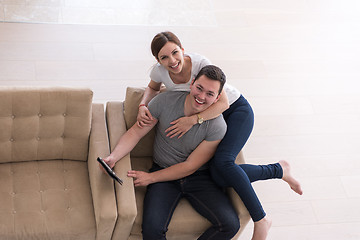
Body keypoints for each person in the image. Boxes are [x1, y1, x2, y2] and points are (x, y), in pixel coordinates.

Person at [137, 31, 303, 240]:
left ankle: (261, 220)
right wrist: (143, 105)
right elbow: (152, 88)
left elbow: (222, 103)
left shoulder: (200, 63)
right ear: (158, 60)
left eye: (175, 52)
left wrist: (192, 120)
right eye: (164, 57)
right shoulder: (159, 72)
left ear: (182, 49)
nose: (172, 60)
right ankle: (278, 170)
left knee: (223, 165)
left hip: (233, 111)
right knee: (217, 174)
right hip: (209, 118)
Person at [102, 65, 241, 239]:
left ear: (218, 97)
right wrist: (113, 157)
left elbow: (190, 166)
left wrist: (150, 178)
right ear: (191, 83)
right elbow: (136, 132)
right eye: (199, 88)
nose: (202, 97)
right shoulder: (165, 101)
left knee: (230, 224)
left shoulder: (218, 126)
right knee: (152, 231)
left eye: (210, 94)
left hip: (198, 177)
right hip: (163, 172)